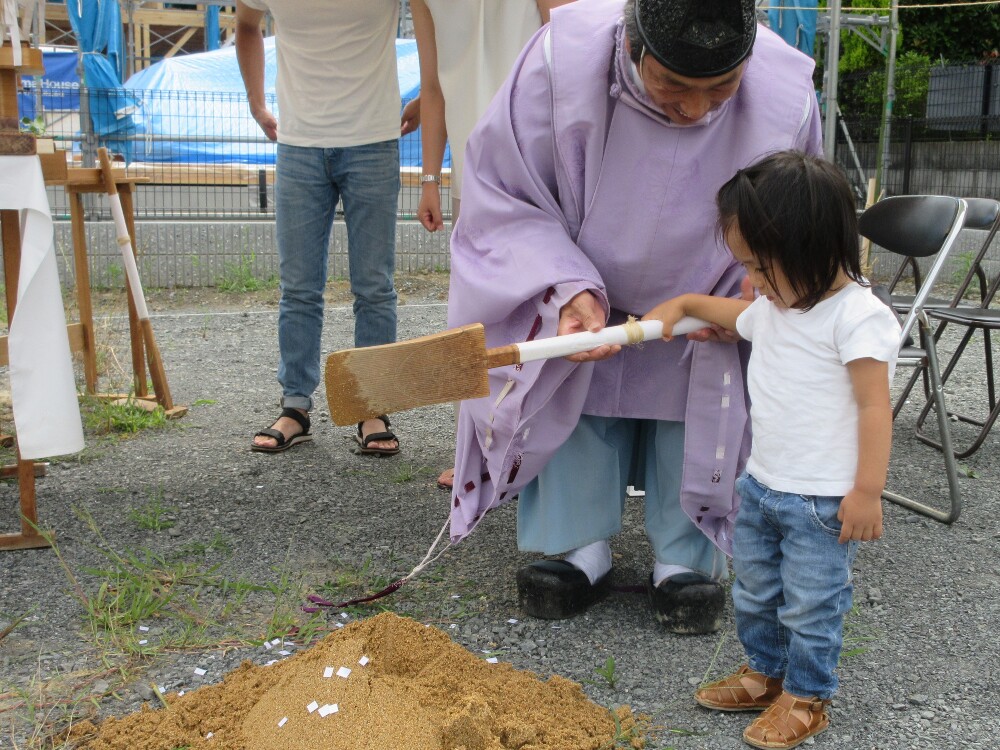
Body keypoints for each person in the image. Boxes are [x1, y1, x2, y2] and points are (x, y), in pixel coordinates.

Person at [445, 0, 823, 634]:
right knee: (574, 391)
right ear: (632, 44)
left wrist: (746, 302)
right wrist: (562, 289)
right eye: (674, 84)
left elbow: (796, 218)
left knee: (704, 407)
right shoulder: (558, 65)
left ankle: (685, 555)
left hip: (713, 296)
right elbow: (503, 193)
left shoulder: (784, 96)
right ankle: (575, 548)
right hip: (576, 281)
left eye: (721, 88)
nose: (696, 108)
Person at [643, 150, 899, 749]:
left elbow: (874, 408)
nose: (750, 282)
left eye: (759, 266)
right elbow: (729, 314)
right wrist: (682, 306)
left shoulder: (858, 319)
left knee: (812, 604)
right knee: (756, 590)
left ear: (809, 248)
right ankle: (764, 674)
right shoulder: (776, 307)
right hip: (760, 486)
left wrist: (866, 490)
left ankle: (807, 698)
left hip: (824, 502)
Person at [236, 1, 416, 456]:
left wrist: (431, 94)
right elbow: (245, 26)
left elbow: (434, 16)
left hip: (373, 138)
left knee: (374, 286)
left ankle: (372, 406)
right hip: (299, 143)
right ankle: (295, 406)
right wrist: (256, 103)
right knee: (298, 287)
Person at [409, 0, 573, 490]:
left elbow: (569, 50)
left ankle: (550, 448)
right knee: (474, 318)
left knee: (553, 306)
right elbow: (434, 85)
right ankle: (476, 450)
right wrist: (431, 177)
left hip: (541, 165)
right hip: (472, 170)